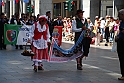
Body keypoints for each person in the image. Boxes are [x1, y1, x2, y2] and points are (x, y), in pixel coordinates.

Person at [117, 9, 124, 80]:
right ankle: (123, 74)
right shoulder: (121, 22)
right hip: (120, 41)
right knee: (121, 58)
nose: (118, 16)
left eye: (119, 15)